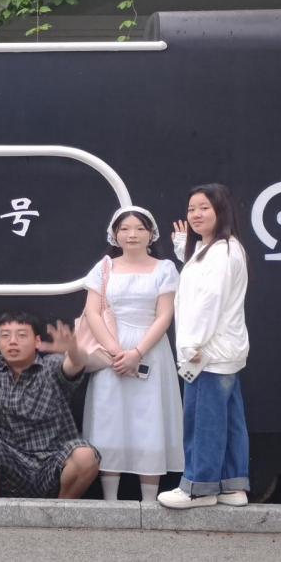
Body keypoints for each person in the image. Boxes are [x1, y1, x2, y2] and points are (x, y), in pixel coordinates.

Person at [0, 306, 100, 499]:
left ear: (37, 341)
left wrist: (72, 349)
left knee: (85, 455)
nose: (12, 341)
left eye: (22, 335)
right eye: (5, 335)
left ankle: (61, 511)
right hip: (9, 465)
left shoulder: (51, 366)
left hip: (54, 462)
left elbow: (77, 362)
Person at [82, 206, 184, 502]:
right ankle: (110, 501)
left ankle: (149, 501)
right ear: (114, 234)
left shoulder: (165, 268)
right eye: (125, 229)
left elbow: (164, 316)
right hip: (110, 352)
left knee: (149, 420)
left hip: (150, 351)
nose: (132, 234)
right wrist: (117, 353)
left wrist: (137, 352)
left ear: (151, 234)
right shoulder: (104, 268)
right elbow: (92, 313)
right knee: (109, 420)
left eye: (140, 228)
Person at [158, 184, 251, 509]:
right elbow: (199, 280)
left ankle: (199, 488)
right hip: (222, 351)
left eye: (204, 208)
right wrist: (184, 247)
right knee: (228, 420)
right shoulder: (217, 249)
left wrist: (190, 345)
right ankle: (232, 486)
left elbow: (209, 301)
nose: (195, 215)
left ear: (221, 211)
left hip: (207, 352)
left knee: (203, 421)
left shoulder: (222, 252)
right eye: (191, 209)